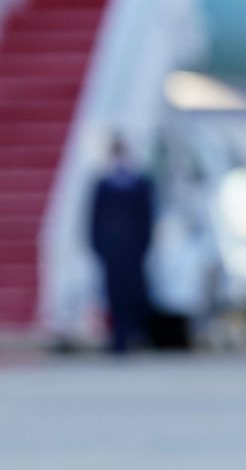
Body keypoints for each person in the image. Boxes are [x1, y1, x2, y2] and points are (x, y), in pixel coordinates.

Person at [89, 135, 155, 354]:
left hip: (134, 249)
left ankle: (133, 334)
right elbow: (94, 220)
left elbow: (147, 219)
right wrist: (98, 246)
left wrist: (144, 246)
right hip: (112, 250)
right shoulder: (103, 185)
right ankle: (118, 337)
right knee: (113, 294)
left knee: (134, 293)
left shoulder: (140, 184)